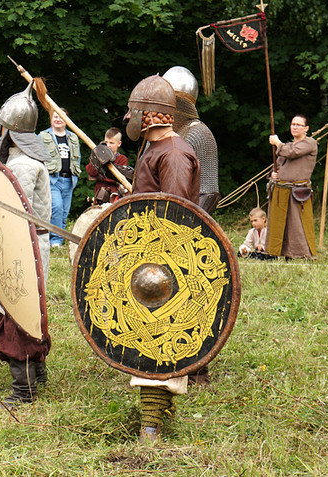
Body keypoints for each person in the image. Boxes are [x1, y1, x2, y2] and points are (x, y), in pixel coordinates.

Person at [124, 74, 200, 442]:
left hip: (166, 264)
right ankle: (157, 412)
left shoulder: (173, 154)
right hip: (146, 254)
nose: (129, 118)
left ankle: (150, 423)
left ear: (151, 115)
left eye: (134, 111)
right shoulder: (154, 149)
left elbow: (174, 217)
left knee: (158, 339)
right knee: (146, 336)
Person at [0, 82, 52, 407]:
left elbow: (15, 214)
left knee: (18, 317)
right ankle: (37, 373)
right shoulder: (25, 161)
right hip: (29, 249)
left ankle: (23, 388)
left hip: (22, 251)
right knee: (30, 313)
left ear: (11, 132)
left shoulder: (23, 166)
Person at [163, 66, 220, 213]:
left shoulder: (199, 134)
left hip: (184, 223)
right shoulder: (159, 134)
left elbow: (209, 194)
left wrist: (189, 224)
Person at [265, 114, 317, 259]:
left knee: (297, 225)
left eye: (298, 125)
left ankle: (300, 254)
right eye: (293, 124)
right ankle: (277, 252)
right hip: (281, 191)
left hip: (298, 191)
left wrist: (277, 143)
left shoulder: (310, 143)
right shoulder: (287, 145)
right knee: (279, 223)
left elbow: (292, 153)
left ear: (306, 128)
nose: (294, 127)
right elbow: (279, 165)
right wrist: (274, 174)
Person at [40, 109, 81, 247]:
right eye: (55, 116)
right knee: (56, 207)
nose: (58, 119)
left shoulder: (73, 137)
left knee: (64, 210)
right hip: (53, 179)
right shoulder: (43, 136)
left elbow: (77, 157)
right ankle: (55, 240)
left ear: (67, 120)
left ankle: (60, 238)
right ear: (51, 119)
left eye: (61, 117)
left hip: (69, 179)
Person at [85, 127, 131, 204]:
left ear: (119, 144)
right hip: (99, 192)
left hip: (114, 194)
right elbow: (91, 172)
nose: (108, 145)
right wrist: (97, 158)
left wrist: (101, 176)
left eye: (112, 143)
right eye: (106, 142)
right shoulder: (98, 156)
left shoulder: (122, 159)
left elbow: (117, 178)